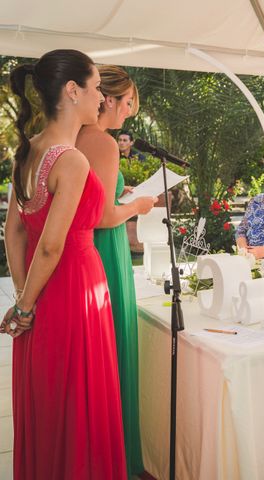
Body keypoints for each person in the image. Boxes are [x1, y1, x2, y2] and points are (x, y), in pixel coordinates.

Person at [1, 49, 126, 478]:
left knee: (51, 397)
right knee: (78, 398)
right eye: (96, 89)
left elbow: (13, 233)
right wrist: (24, 307)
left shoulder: (30, 149)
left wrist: (25, 299)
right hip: (75, 291)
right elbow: (52, 246)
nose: (102, 99)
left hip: (43, 291)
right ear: (72, 91)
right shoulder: (70, 160)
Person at [75, 65, 157, 476]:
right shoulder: (103, 143)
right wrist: (138, 206)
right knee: (113, 346)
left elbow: (89, 197)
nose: (129, 114)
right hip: (104, 249)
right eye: (127, 104)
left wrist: (121, 193)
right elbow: (104, 217)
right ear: (107, 100)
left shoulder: (72, 137)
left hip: (83, 250)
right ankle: (116, 458)